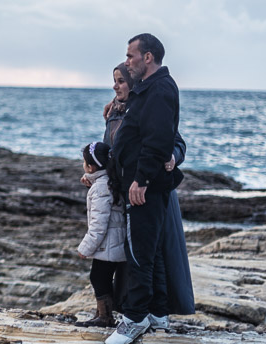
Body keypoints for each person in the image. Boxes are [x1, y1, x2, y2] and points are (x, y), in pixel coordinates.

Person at [96, 61, 194, 325]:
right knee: (124, 253)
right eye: (113, 81)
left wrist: (173, 157)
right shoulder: (115, 113)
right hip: (122, 191)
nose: (115, 86)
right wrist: (94, 172)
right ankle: (112, 311)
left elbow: (175, 141)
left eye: (120, 81)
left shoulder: (148, 107)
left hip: (150, 189)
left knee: (154, 253)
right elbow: (111, 152)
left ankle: (152, 313)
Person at [75, 141, 126, 328]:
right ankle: (103, 313)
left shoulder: (100, 188)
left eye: (84, 163)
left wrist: (85, 248)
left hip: (107, 245)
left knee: (98, 278)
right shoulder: (110, 181)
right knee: (102, 278)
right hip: (115, 243)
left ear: (91, 166)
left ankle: (105, 316)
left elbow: (99, 224)